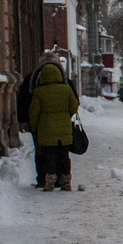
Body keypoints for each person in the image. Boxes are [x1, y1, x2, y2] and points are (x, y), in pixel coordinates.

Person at [17, 53, 78, 187]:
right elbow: (74, 104)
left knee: (43, 153)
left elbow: (26, 104)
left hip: (42, 126)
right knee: (63, 154)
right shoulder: (65, 83)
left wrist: (28, 122)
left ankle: (45, 180)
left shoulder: (32, 81)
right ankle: (64, 180)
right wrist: (64, 115)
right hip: (63, 126)